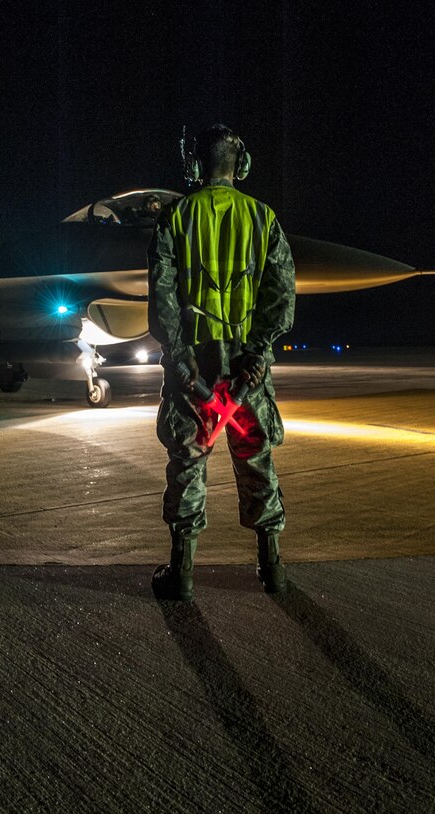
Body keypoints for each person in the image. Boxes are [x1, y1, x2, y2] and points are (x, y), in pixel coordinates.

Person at [147, 123, 295, 601]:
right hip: (246, 367)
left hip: (195, 366)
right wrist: (256, 354)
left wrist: (181, 360)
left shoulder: (175, 216)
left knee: (189, 461)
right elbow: (281, 295)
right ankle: (272, 570)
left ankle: (182, 575)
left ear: (195, 165)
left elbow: (163, 296)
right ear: (241, 165)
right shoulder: (263, 218)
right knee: (256, 458)